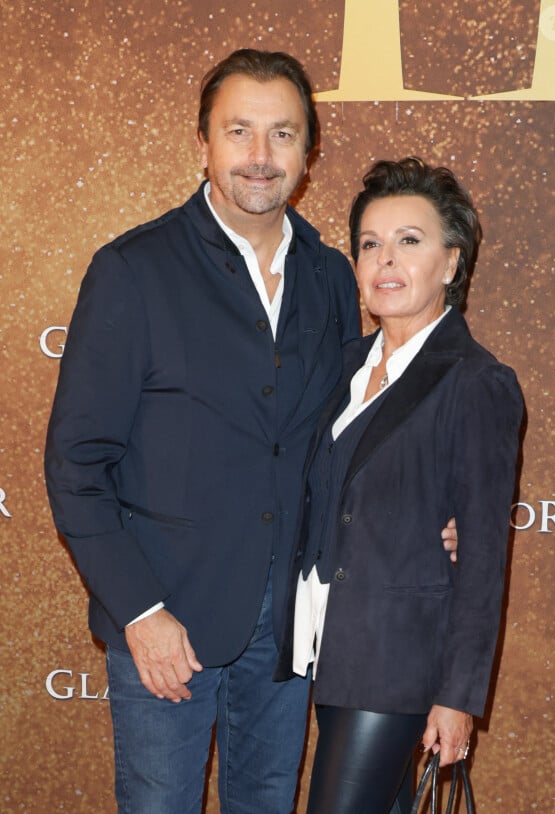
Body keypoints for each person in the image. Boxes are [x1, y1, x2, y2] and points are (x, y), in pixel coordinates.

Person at [44, 50, 457, 814]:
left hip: (290, 629)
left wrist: (426, 513)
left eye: (282, 135)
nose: (260, 158)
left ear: (307, 154)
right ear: (204, 141)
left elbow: (348, 434)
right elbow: (75, 464)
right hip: (168, 619)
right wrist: (140, 612)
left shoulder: (335, 276)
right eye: (240, 132)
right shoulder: (133, 270)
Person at [276, 157, 523, 813]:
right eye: (370, 243)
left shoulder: (475, 381)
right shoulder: (344, 365)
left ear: (451, 262)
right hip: (327, 646)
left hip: (398, 663)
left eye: (409, 241)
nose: (386, 260)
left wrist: (459, 697)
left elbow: (483, 561)